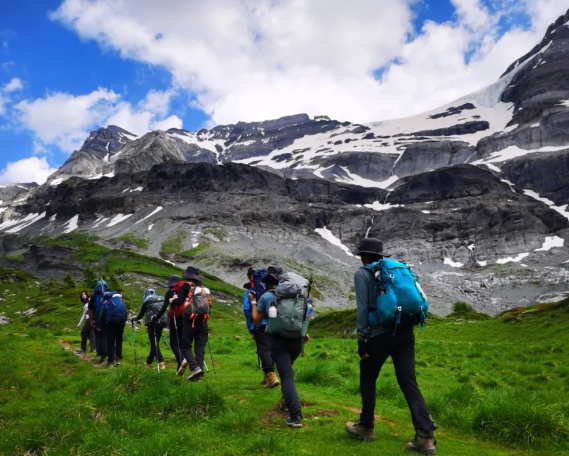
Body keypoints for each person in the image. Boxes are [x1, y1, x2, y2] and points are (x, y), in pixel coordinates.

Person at [345, 238, 436, 454]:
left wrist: (361, 341)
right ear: (381, 255)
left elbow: (363, 310)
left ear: (364, 256)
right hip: (405, 333)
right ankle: (425, 436)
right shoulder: (397, 270)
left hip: (380, 334)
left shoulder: (363, 273)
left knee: (368, 375)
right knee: (408, 381)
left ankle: (366, 426)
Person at [251, 266, 308, 428]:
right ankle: (286, 402)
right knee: (287, 371)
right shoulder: (298, 295)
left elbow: (257, 320)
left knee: (286, 376)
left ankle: (295, 414)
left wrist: (253, 302)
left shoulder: (267, 297)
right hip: (297, 340)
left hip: (278, 340)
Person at [174, 266, 209, 382]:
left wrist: (172, 300)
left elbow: (179, 301)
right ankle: (200, 374)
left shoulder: (185, 286)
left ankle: (194, 368)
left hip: (190, 320)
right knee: (200, 347)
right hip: (203, 320)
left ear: (187, 276)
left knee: (185, 346)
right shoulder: (202, 287)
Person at [245, 279, 279, 388]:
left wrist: (251, 329)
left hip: (261, 325)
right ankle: (267, 378)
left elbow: (247, 310)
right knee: (270, 350)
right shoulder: (280, 293)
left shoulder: (251, 293)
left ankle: (271, 376)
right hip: (277, 324)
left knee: (263, 350)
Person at [153, 275, 183, 369]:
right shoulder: (185, 291)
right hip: (186, 318)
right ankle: (182, 364)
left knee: (174, 343)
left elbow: (164, 308)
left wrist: (156, 317)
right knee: (182, 342)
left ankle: (180, 361)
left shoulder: (169, 292)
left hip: (175, 318)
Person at [132, 288, 165, 370]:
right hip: (161, 322)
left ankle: (161, 363)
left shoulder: (147, 301)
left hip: (152, 323)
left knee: (154, 343)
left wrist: (133, 318)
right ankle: (148, 362)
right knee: (155, 343)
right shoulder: (160, 299)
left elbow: (140, 316)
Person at [97, 290, 127, 368]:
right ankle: (118, 359)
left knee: (110, 342)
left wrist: (99, 325)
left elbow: (101, 315)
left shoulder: (107, 303)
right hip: (120, 323)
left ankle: (110, 361)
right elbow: (126, 313)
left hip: (110, 324)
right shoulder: (121, 302)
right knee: (119, 340)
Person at [88, 280, 109, 366]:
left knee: (100, 336)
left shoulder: (94, 296)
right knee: (109, 337)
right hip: (109, 318)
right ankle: (112, 355)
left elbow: (90, 310)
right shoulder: (110, 294)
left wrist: (92, 320)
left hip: (98, 318)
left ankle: (103, 356)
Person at [75, 291, 95, 355]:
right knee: (90, 333)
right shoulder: (85, 303)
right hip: (90, 318)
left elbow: (90, 310)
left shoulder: (89, 300)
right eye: (82, 294)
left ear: (88, 295)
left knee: (83, 332)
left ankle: (83, 348)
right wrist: (79, 323)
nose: (83, 295)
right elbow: (84, 314)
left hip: (90, 318)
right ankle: (93, 348)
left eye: (84, 294)